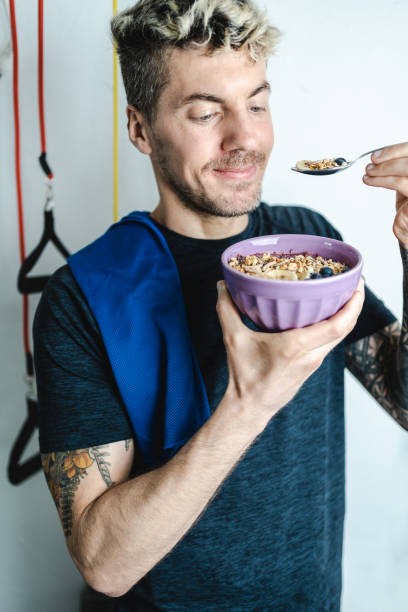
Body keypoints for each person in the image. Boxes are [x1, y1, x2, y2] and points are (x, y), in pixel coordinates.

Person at [33, 1, 408, 610]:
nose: (246, 138)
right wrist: (249, 403)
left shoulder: (312, 249)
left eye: (257, 103)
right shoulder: (83, 297)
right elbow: (104, 563)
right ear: (140, 128)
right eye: (206, 112)